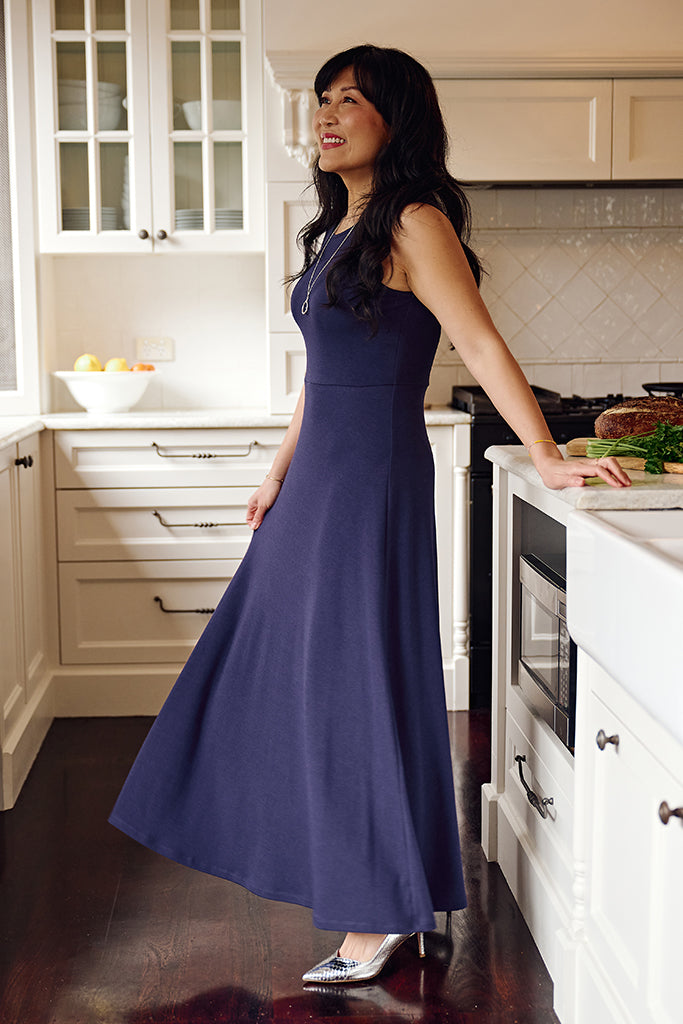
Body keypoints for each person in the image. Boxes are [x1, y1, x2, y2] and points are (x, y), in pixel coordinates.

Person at [110, 44, 630, 988]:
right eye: (321, 100)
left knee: (356, 684)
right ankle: (382, 886)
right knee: (261, 665)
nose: (327, 114)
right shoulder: (337, 231)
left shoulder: (413, 221)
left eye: (350, 99)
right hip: (319, 482)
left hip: (371, 484)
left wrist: (548, 455)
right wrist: (278, 469)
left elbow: (476, 338)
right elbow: (321, 379)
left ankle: (378, 912)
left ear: (396, 119)